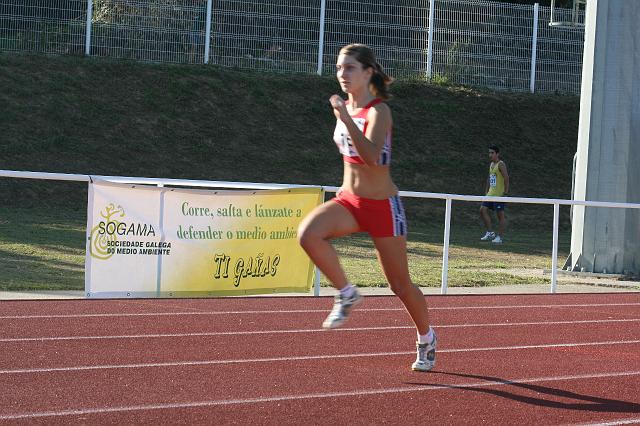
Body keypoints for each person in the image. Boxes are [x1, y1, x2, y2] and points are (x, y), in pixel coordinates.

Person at [297, 44, 436, 372]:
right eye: (339, 68)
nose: (342, 75)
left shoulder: (378, 111)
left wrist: (345, 117)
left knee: (400, 285)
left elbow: (372, 157)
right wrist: (344, 114)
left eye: (350, 68)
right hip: (349, 200)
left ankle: (426, 337)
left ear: (368, 72)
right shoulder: (345, 107)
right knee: (308, 234)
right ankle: (346, 293)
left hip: (383, 207)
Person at [479, 145, 509, 244]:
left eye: (492, 153)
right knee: (482, 210)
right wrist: (486, 191)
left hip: (499, 194)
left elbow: (506, 178)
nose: (490, 155)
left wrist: (505, 192)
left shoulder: (501, 164)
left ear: (497, 154)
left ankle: (499, 237)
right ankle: (490, 232)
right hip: (490, 194)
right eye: (489, 153)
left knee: (500, 215)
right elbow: (489, 178)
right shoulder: (491, 164)